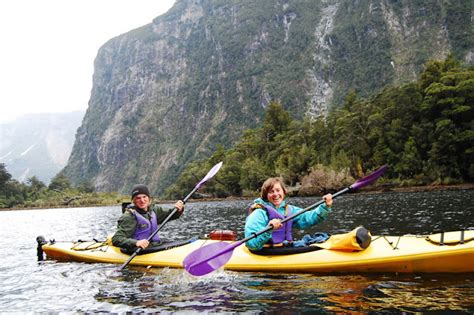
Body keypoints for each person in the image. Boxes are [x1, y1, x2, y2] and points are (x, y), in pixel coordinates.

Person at [244, 177, 333, 251]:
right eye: (271, 192)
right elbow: (252, 244)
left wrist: (325, 207)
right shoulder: (259, 213)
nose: (275, 194)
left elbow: (308, 219)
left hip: (285, 248)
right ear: (266, 195)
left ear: (283, 192)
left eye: (278, 190)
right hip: (265, 251)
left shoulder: (289, 210)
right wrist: (268, 229)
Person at [112, 184, 184, 251]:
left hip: (154, 246)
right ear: (133, 201)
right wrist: (136, 243)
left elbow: (172, 214)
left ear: (149, 198)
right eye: (138, 198)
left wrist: (179, 209)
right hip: (137, 250)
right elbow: (116, 239)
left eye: (144, 197)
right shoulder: (129, 217)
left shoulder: (154, 210)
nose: (142, 200)